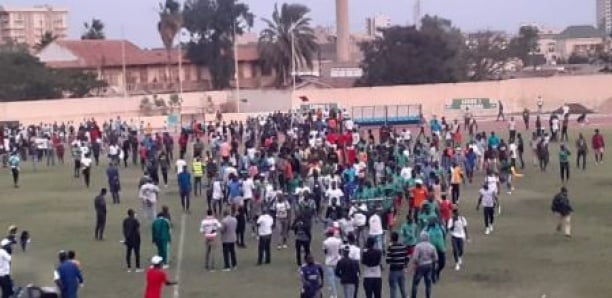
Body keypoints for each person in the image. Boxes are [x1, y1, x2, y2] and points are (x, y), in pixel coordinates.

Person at [410, 233, 437, 298]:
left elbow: (415, 258)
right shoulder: (432, 246)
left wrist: (415, 264)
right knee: (428, 284)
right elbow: (435, 258)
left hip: (420, 266)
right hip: (429, 265)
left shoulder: (418, 246)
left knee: (415, 283)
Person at [386, 232, 408, 298]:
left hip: (393, 270)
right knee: (403, 288)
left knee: (393, 289)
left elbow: (388, 260)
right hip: (401, 270)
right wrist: (405, 265)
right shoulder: (403, 246)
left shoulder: (391, 247)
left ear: (391, 239)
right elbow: (406, 258)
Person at [322, 228, 342, 298]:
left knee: (331, 278)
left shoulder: (325, 242)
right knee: (337, 278)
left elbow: (325, 252)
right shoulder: (339, 241)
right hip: (337, 261)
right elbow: (340, 251)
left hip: (329, 262)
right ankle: (336, 292)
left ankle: (334, 294)